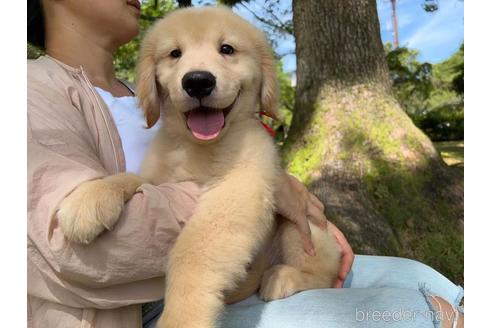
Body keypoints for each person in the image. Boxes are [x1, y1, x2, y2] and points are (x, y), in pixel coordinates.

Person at [27, 1, 463, 327]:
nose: (198, 72)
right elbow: (67, 242)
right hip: (167, 300)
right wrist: (261, 189)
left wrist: (279, 190)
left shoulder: (142, 100)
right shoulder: (30, 89)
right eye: (175, 55)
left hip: (280, 259)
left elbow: (178, 182)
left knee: (431, 282)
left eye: (227, 49)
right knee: (421, 315)